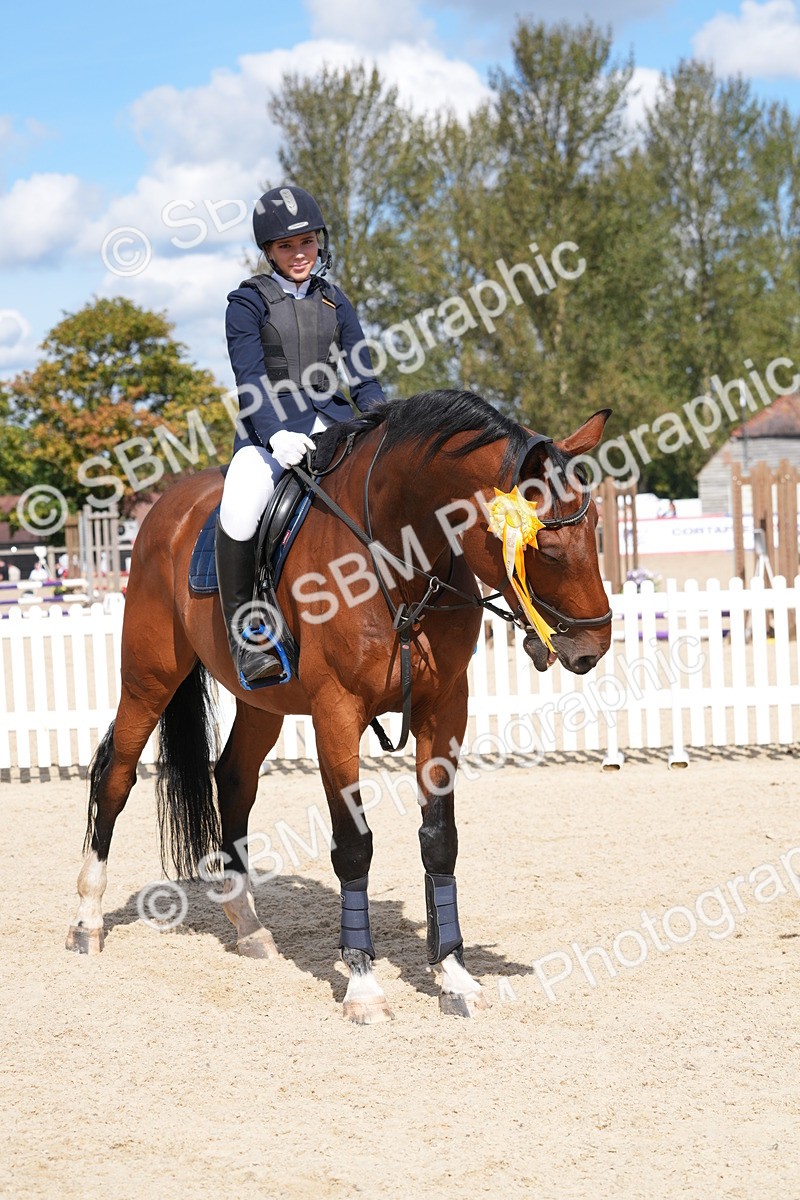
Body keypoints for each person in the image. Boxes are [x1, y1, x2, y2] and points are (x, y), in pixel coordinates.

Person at [218, 185, 386, 686]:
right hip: (269, 433)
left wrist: (385, 424)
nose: (299, 254)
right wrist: (272, 436)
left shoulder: (337, 301)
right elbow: (249, 379)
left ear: (320, 242)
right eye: (287, 246)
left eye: (307, 242)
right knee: (240, 507)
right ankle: (250, 637)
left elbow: (364, 377)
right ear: (269, 251)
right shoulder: (246, 303)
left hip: (334, 425)